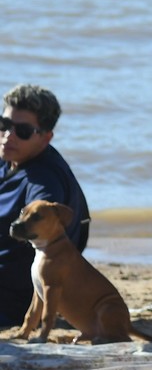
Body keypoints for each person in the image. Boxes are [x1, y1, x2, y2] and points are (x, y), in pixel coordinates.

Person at [0, 85, 89, 329]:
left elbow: (49, 229)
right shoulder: (10, 158)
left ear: (46, 137)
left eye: (24, 131)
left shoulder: (43, 181)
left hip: (14, 297)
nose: (9, 135)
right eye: (4, 125)